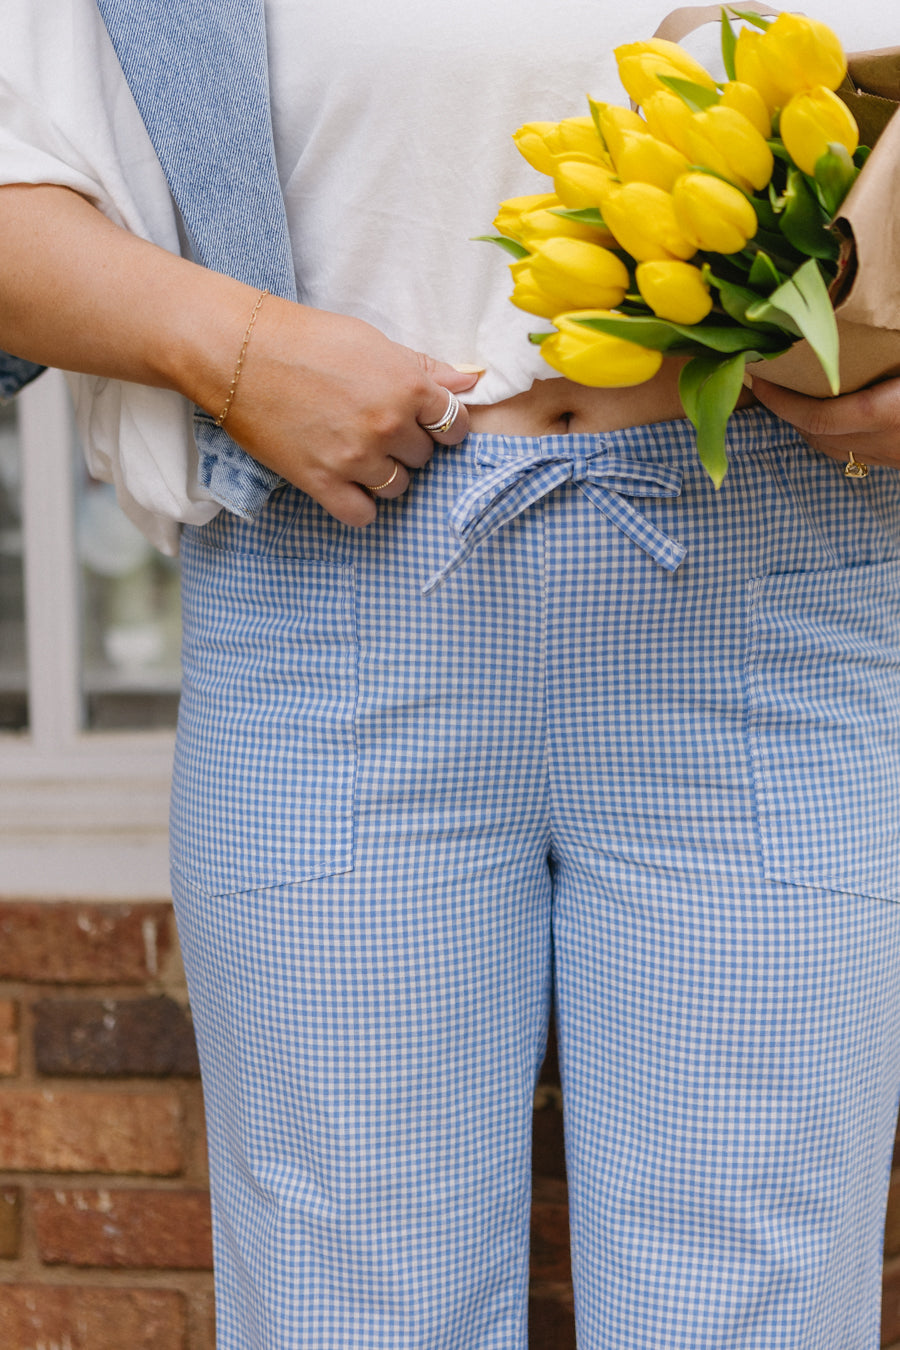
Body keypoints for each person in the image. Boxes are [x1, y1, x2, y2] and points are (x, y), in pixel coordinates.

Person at [2, 1, 900, 1345]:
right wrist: (232, 344)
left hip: (771, 588)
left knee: (759, 1298)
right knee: (342, 1303)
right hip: (340, 575)